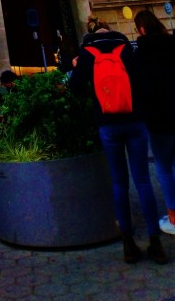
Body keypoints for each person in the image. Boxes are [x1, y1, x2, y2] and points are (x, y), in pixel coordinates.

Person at [69, 20, 167, 264]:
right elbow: (145, 85)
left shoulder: (87, 52)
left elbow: (75, 88)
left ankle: (128, 244)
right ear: (112, 31)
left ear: (92, 35)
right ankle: (155, 242)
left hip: (107, 125)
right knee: (143, 181)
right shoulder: (126, 48)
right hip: (135, 121)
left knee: (119, 182)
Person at [134, 8, 175, 236]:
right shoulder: (172, 44)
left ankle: (173, 217)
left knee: (163, 167)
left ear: (141, 29)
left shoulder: (142, 52)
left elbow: (143, 88)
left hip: (159, 118)